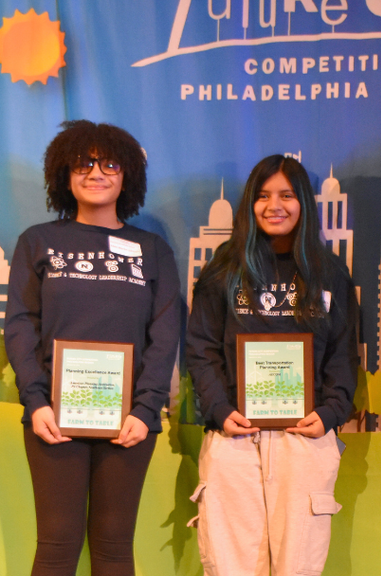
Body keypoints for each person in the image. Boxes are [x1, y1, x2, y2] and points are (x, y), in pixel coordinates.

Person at [4, 120, 180, 575]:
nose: (96, 171)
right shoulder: (38, 242)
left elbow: (164, 335)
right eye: (84, 162)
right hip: (52, 419)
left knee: (114, 548)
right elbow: (21, 325)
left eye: (110, 163)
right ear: (65, 173)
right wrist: (37, 402)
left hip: (128, 421)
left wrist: (145, 411)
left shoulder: (152, 249)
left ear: (127, 177)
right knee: (58, 547)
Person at [185, 154, 358, 576]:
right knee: (231, 566)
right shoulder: (225, 268)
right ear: (250, 203)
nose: (273, 205)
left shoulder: (329, 272)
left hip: (305, 435)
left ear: (304, 203)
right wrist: (221, 411)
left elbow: (344, 353)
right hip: (234, 436)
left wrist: (329, 414)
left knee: (297, 566)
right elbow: (201, 346)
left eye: (285, 195)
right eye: (262, 196)